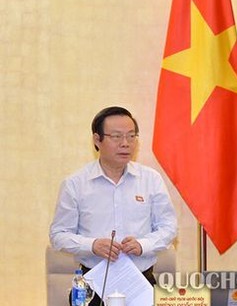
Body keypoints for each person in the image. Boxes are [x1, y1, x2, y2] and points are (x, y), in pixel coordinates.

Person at [49, 106, 178, 306]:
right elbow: (58, 235)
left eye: (131, 136)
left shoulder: (150, 179)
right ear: (97, 140)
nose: (126, 144)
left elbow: (169, 227)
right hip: (93, 284)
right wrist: (92, 245)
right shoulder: (75, 184)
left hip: (142, 282)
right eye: (116, 137)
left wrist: (143, 245)